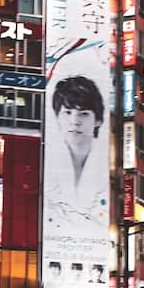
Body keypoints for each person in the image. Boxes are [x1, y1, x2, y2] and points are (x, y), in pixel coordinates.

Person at [47, 75, 108, 232]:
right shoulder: (46, 159)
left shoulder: (108, 163)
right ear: (57, 117)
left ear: (98, 120)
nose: (75, 121)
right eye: (67, 112)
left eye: (84, 114)